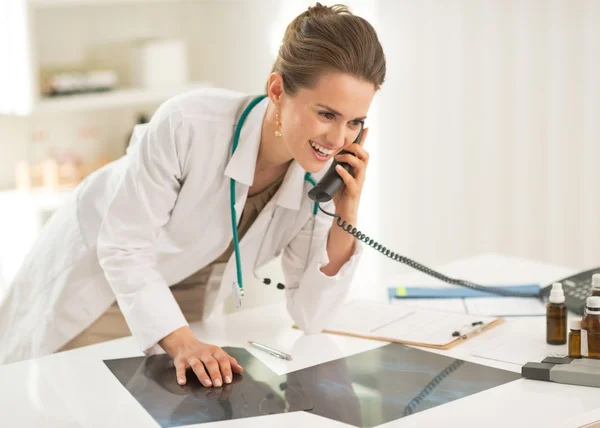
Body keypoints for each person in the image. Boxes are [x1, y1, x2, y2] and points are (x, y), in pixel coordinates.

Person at [0, 2, 386, 389]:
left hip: (187, 310)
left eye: (355, 122)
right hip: (102, 287)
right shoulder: (189, 124)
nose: (338, 140)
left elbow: (311, 316)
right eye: (326, 114)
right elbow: (123, 248)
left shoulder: (317, 180)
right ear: (277, 90)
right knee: (68, 398)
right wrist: (181, 341)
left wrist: (346, 212)